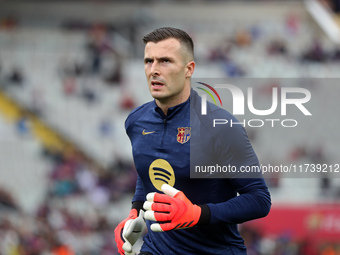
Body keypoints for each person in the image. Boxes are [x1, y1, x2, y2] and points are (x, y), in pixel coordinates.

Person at [114, 27, 271, 255]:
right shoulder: (136, 121)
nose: (154, 70)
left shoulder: (219, 126)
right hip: (156, 249)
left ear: (189, 69)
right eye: (149, 61)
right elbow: (147, 170)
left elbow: (259, 199)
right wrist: (135, 213)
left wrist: (197, 214)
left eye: (165, 61)